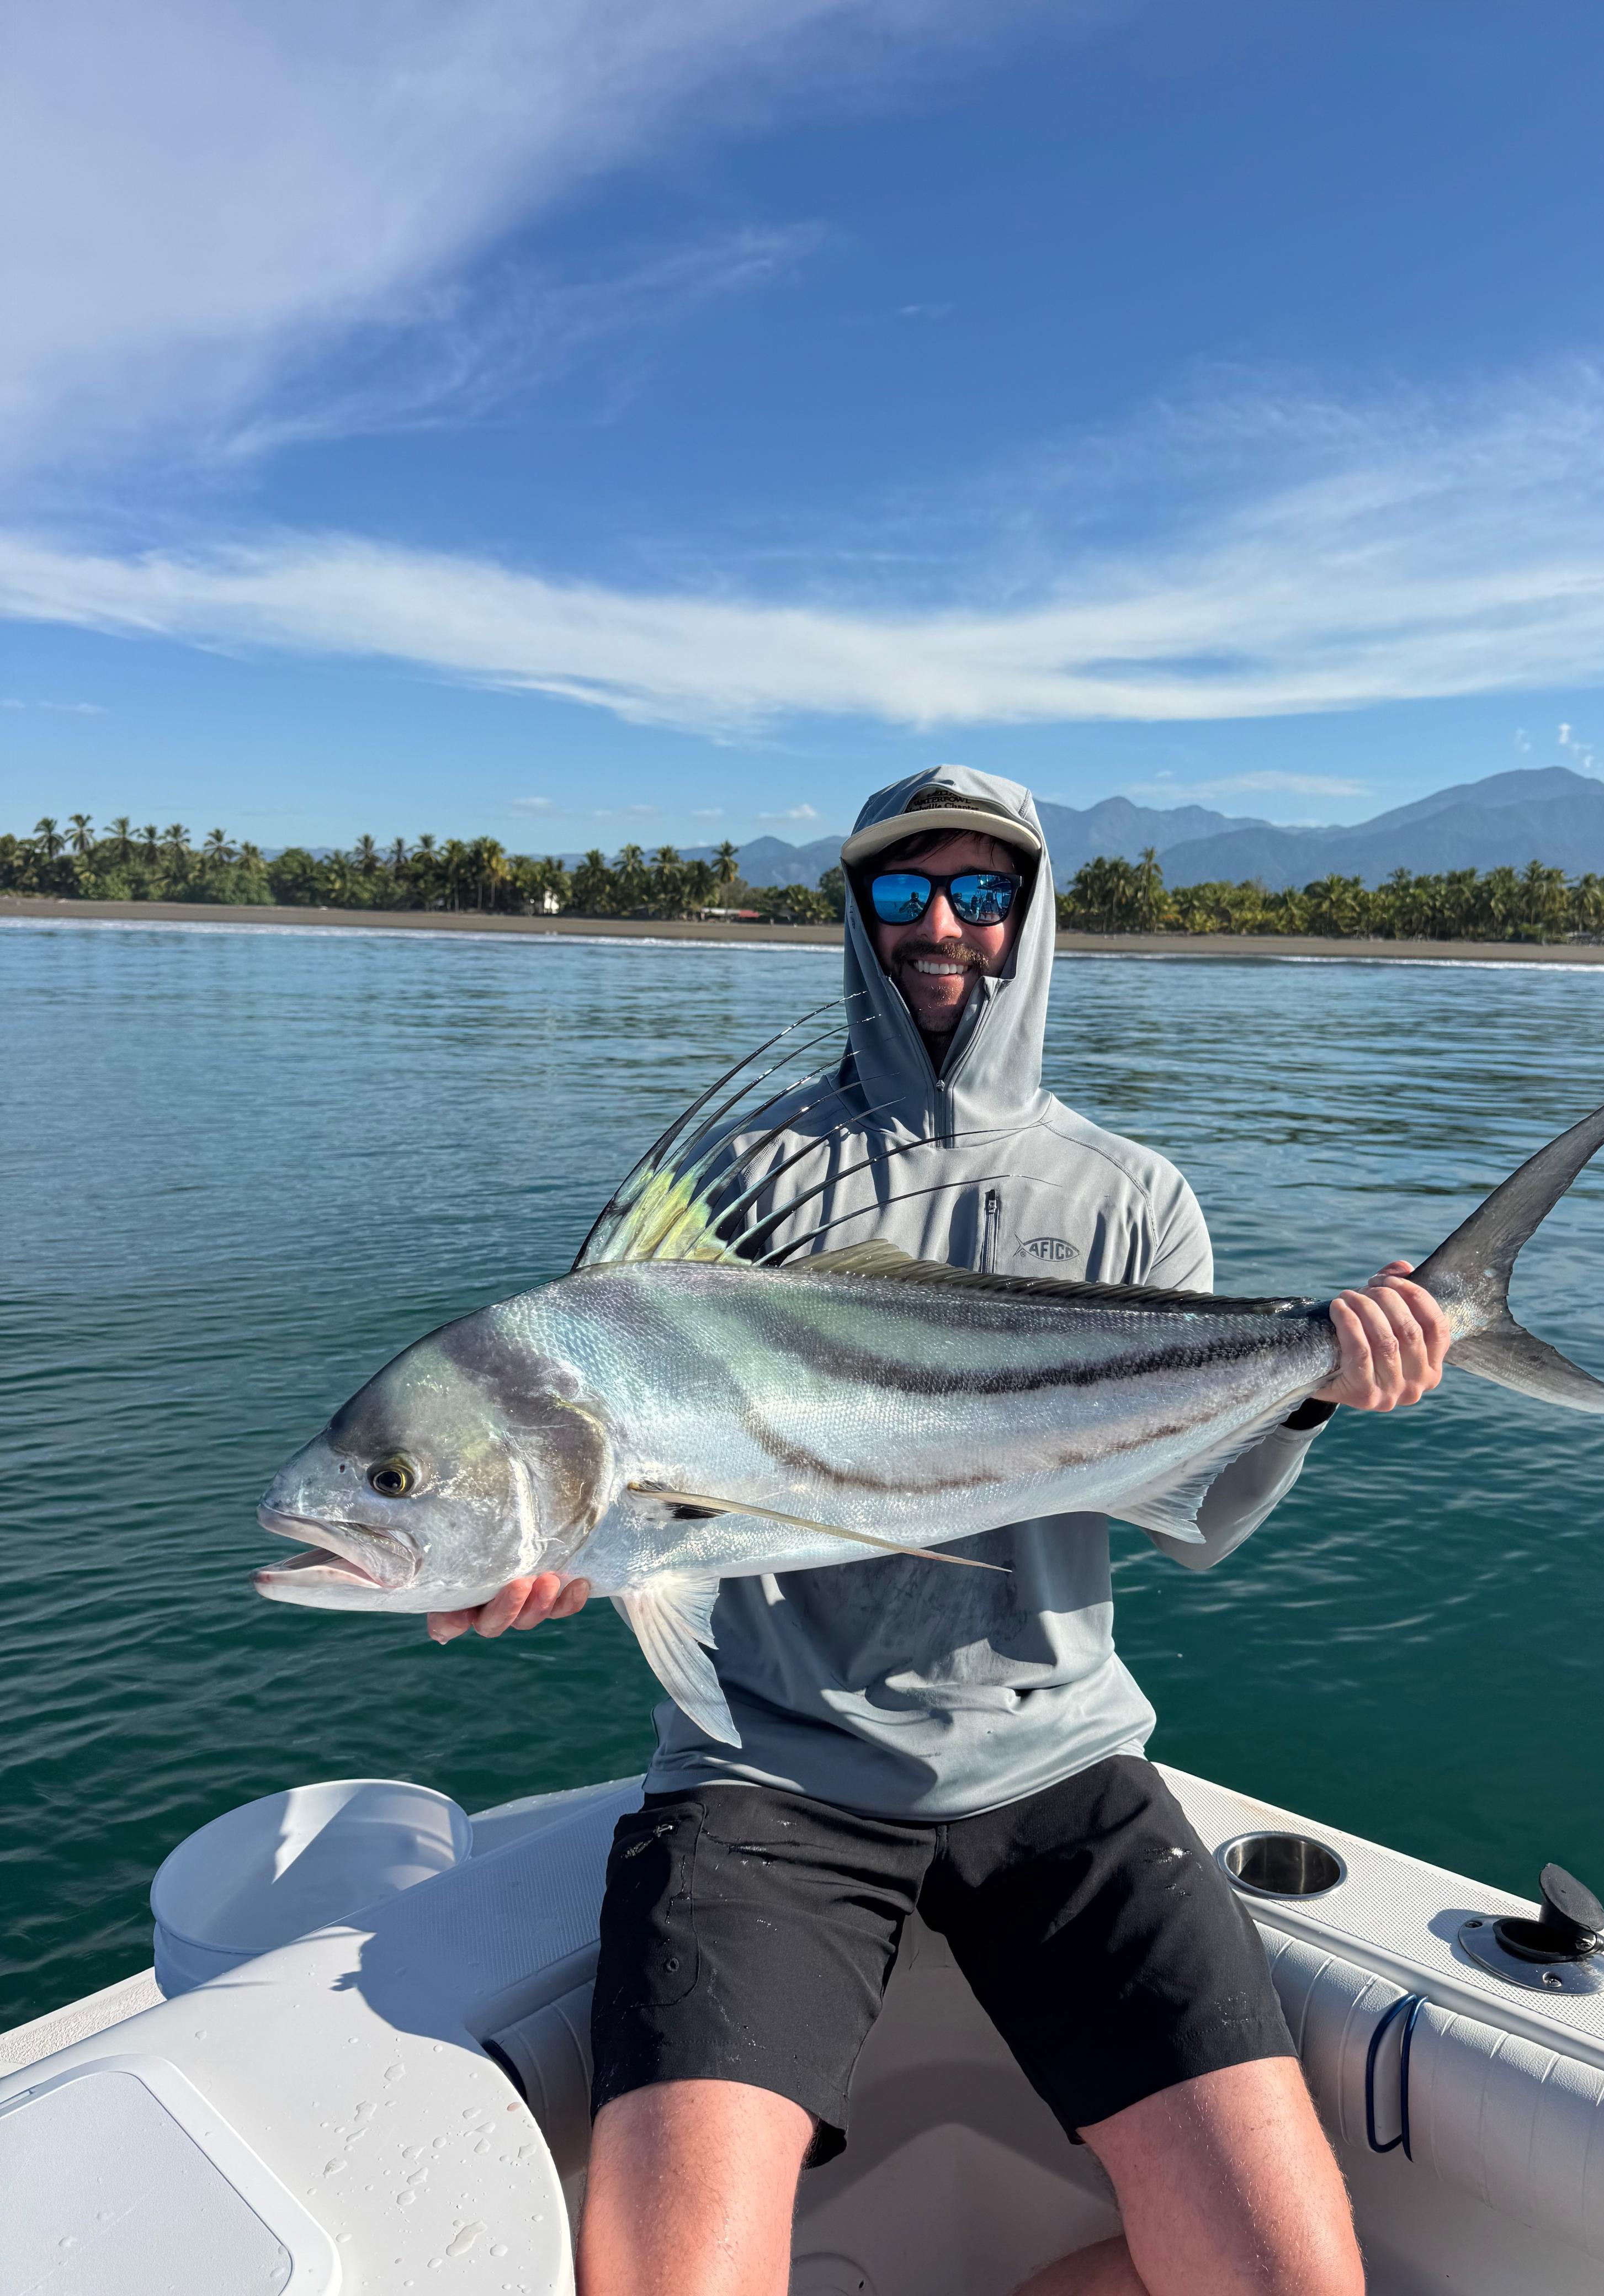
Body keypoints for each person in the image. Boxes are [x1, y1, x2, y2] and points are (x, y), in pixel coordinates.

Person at [430, 767, 1451, 2296]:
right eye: (907, 893)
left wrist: (1306, 1397)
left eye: (987, 893)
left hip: (1061, 1769)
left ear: (1033, 923)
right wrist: (540, 1551)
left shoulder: (1134, 1200)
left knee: (1298, 2283)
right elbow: (630, 1456)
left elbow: (1198, 1521)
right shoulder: (722, 1185)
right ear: (859, 915)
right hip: (764, 1779)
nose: (947, 925)